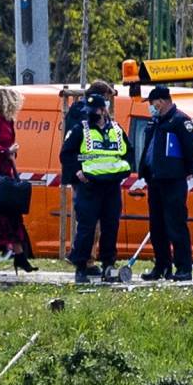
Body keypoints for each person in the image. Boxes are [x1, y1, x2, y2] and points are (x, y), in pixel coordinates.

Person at [59, 84, 130, 283]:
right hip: (88, 186)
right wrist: (77, 173)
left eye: (96, 109)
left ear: (103, 109)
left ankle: (109, 265)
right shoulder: (80, 128)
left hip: (111, 186)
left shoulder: (115, 129)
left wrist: (123, 170)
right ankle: (81, 266)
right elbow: (67, 153)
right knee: (86, 227)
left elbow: (127, 152)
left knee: (110, 227)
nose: (91, 113)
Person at [137, 85, 193, 281]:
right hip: (155, 180)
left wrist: (185, 171)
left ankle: (183, 268)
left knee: (175, 225)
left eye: (152, 103)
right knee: (157, 226)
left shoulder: (180, 121)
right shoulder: (155, 122)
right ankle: (161, 266)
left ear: (161, 101)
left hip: (173, 182)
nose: (150, 107)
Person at [0, 87, 37, 276]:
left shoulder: (8, 122)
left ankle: (14, 257)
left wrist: (10, 150)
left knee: (9, 218)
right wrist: (5, 150)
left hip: (4, 173)